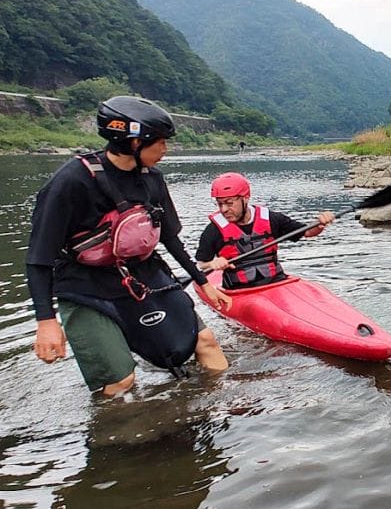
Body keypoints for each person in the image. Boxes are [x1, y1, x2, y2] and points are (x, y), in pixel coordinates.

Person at [26, 96, 232, 396]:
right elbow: (39, 259)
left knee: (205, 341)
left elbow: (169, 238)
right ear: (133, 143)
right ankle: (119, 433)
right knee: (120, 382)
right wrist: (46, 322)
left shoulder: (153, 179)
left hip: (142, 274)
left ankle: (226, 415)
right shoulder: (72, 181)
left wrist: (203, 282)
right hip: (85, 285)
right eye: (159, 142)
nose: (165, 150)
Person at [195, 172, 335, 289]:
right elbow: (201, 265)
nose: (224, 209)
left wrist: (319, 224)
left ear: (245, 198)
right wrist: (212, 263)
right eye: (220, 204)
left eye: (229, 203)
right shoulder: (213, 230)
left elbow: (308, 232)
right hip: (239, 290)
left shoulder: (271, 218)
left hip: (277, 283)